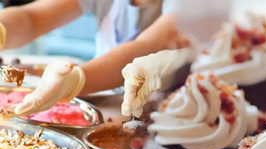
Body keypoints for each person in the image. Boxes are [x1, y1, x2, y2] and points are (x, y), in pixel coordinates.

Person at [0, 0, 229, 119]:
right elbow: (32, 18)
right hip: (108, 110)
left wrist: (76, 80)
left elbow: (145, 49)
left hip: (168, 122)